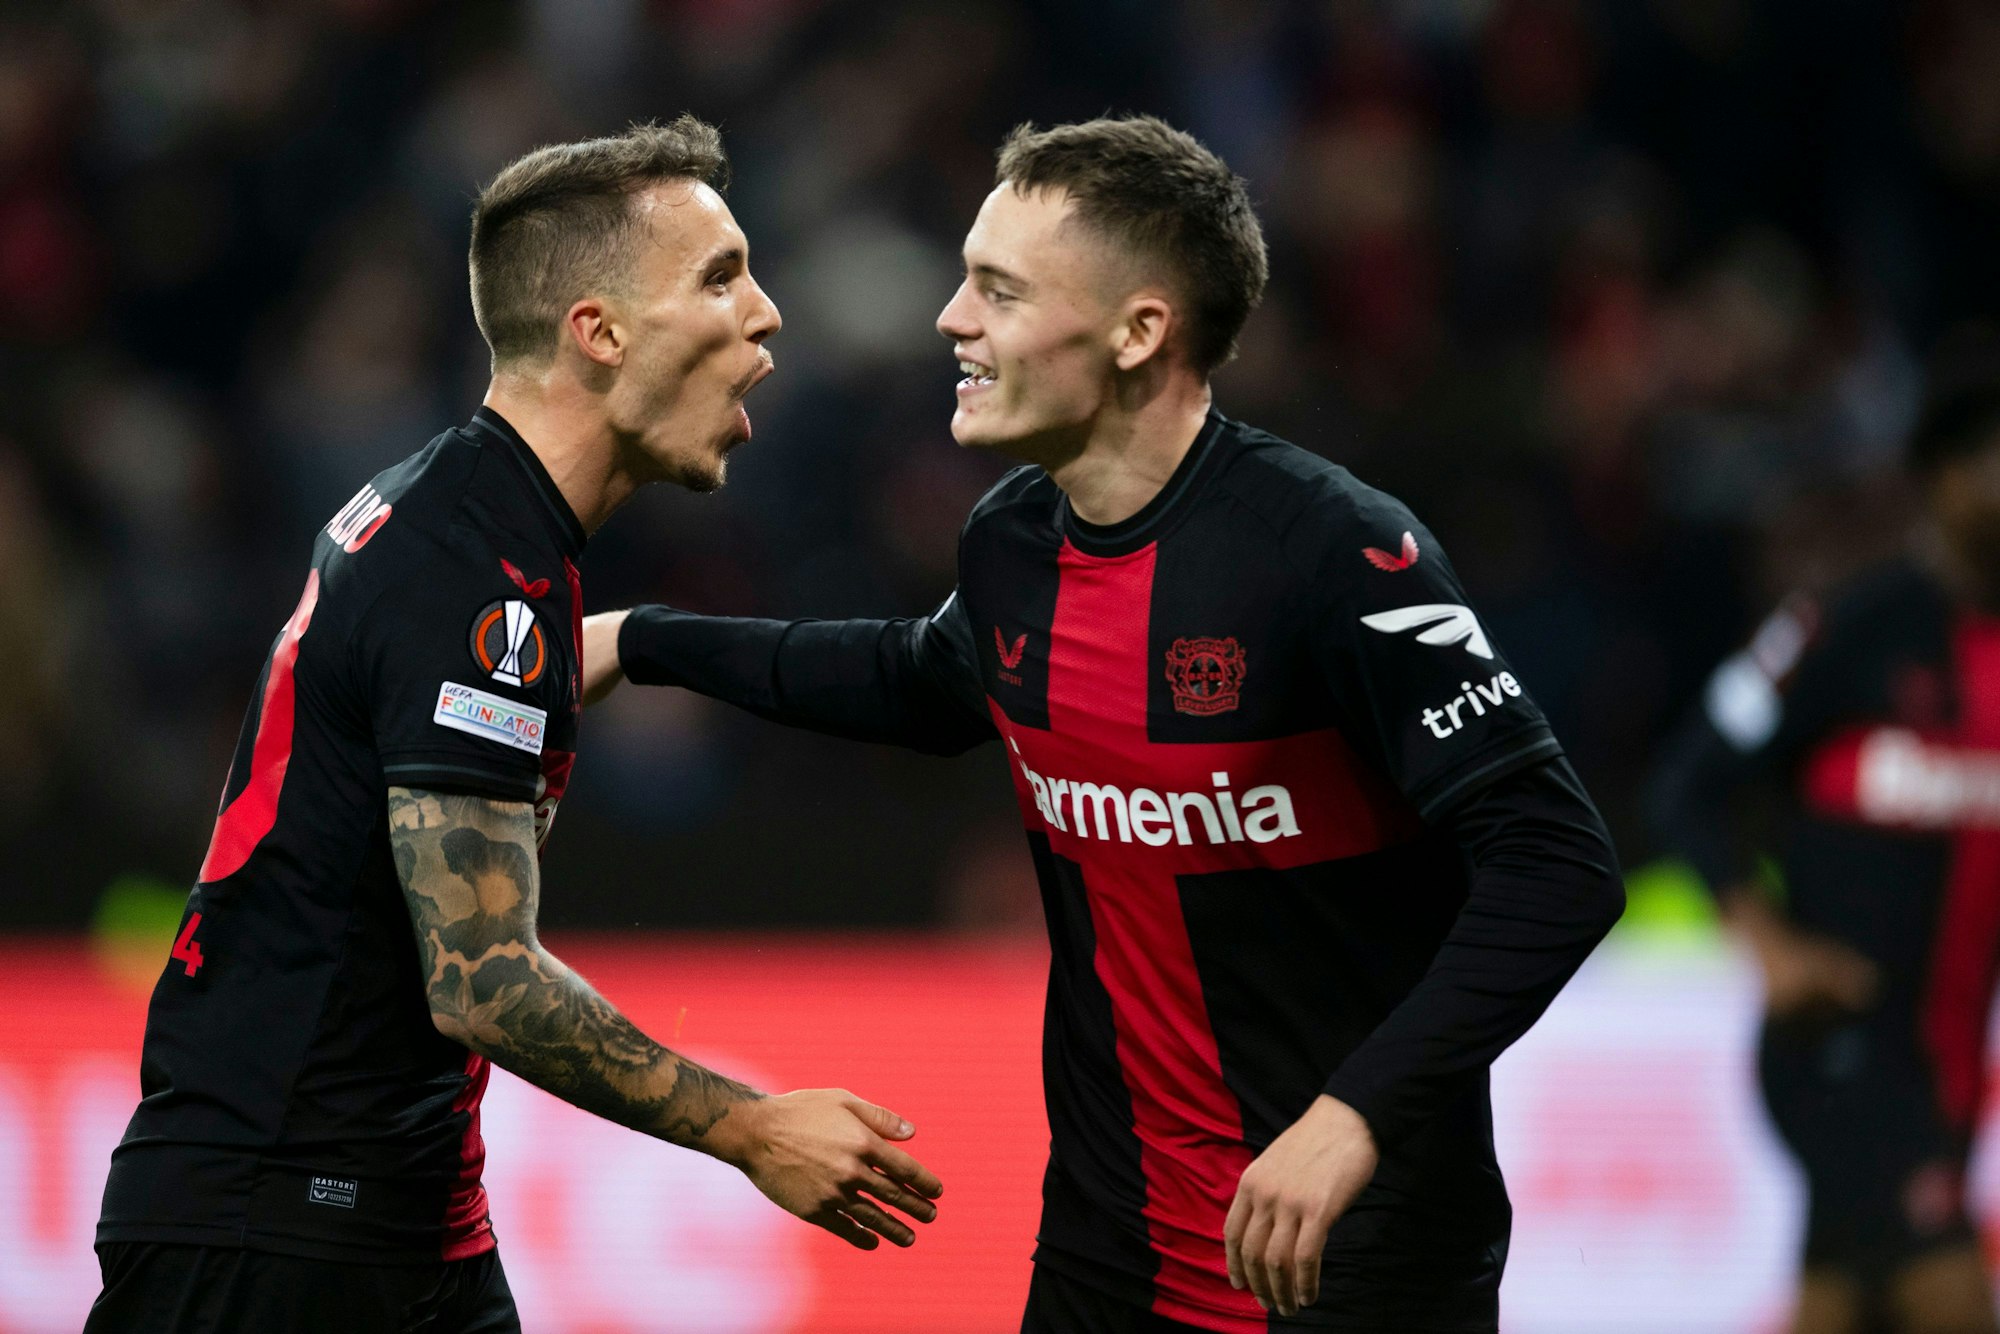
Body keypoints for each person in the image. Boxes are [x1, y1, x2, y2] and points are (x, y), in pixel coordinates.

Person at [583, 115, 1624, 1334]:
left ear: (1139, 332)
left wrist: (1355, 1112)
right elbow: (922, 680)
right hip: (1105, 1247)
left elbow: (1558, 864)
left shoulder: (1334, 553)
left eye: (997, 289)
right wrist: (641, 638)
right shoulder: (1015, 539)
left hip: (1341, 1253)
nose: (950, 320)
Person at [87, 117, 942, 1334]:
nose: (766, 314)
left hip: (388, 1214)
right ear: (596, 330)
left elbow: (461, 683)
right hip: (276, 1235)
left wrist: (637, 638)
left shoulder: (462, 521)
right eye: (719, 276)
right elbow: (483, 981)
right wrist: (747, 1128)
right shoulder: (473, 576)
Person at [1649, 337, 2000, 1334]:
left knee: (1842, 1302)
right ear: (1945, 478)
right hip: (1837, 1045)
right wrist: (1770, 946)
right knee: (1949, 1298)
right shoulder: (1848, 628)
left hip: (1946, 1061)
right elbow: (1687, 783)